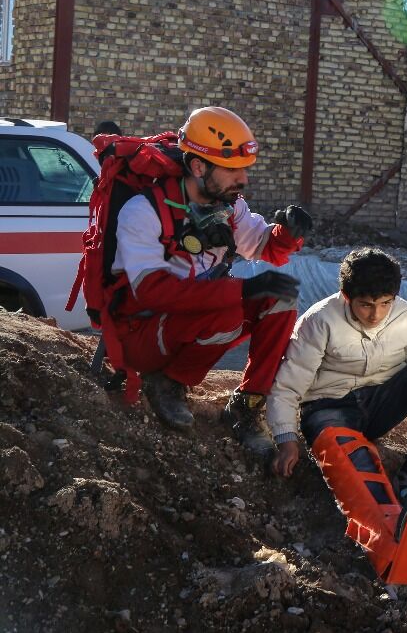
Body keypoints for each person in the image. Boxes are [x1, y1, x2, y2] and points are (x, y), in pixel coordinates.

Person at [111, 106, 310, 454]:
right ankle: (168, 384)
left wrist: (288, 234)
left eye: (244, 170)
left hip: (190, 319)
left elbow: (267, 247)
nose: (243, 180)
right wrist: (242, 289)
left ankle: (246, 407)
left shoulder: (229, 206)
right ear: (199, 166)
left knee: (280, 300)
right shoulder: (143, 212)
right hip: (142, 333)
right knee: (230, 312)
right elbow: (152, 293)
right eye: (233, 170)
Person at [267, 247, 407, 515]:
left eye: (385, 303)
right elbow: (287, 385)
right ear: (346, 297)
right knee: (359, 476)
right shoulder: (319, 321)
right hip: (328, 410)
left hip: (378, 407)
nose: (376, 315)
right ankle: (386, 522)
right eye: (366, 304)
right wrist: (286, 439)